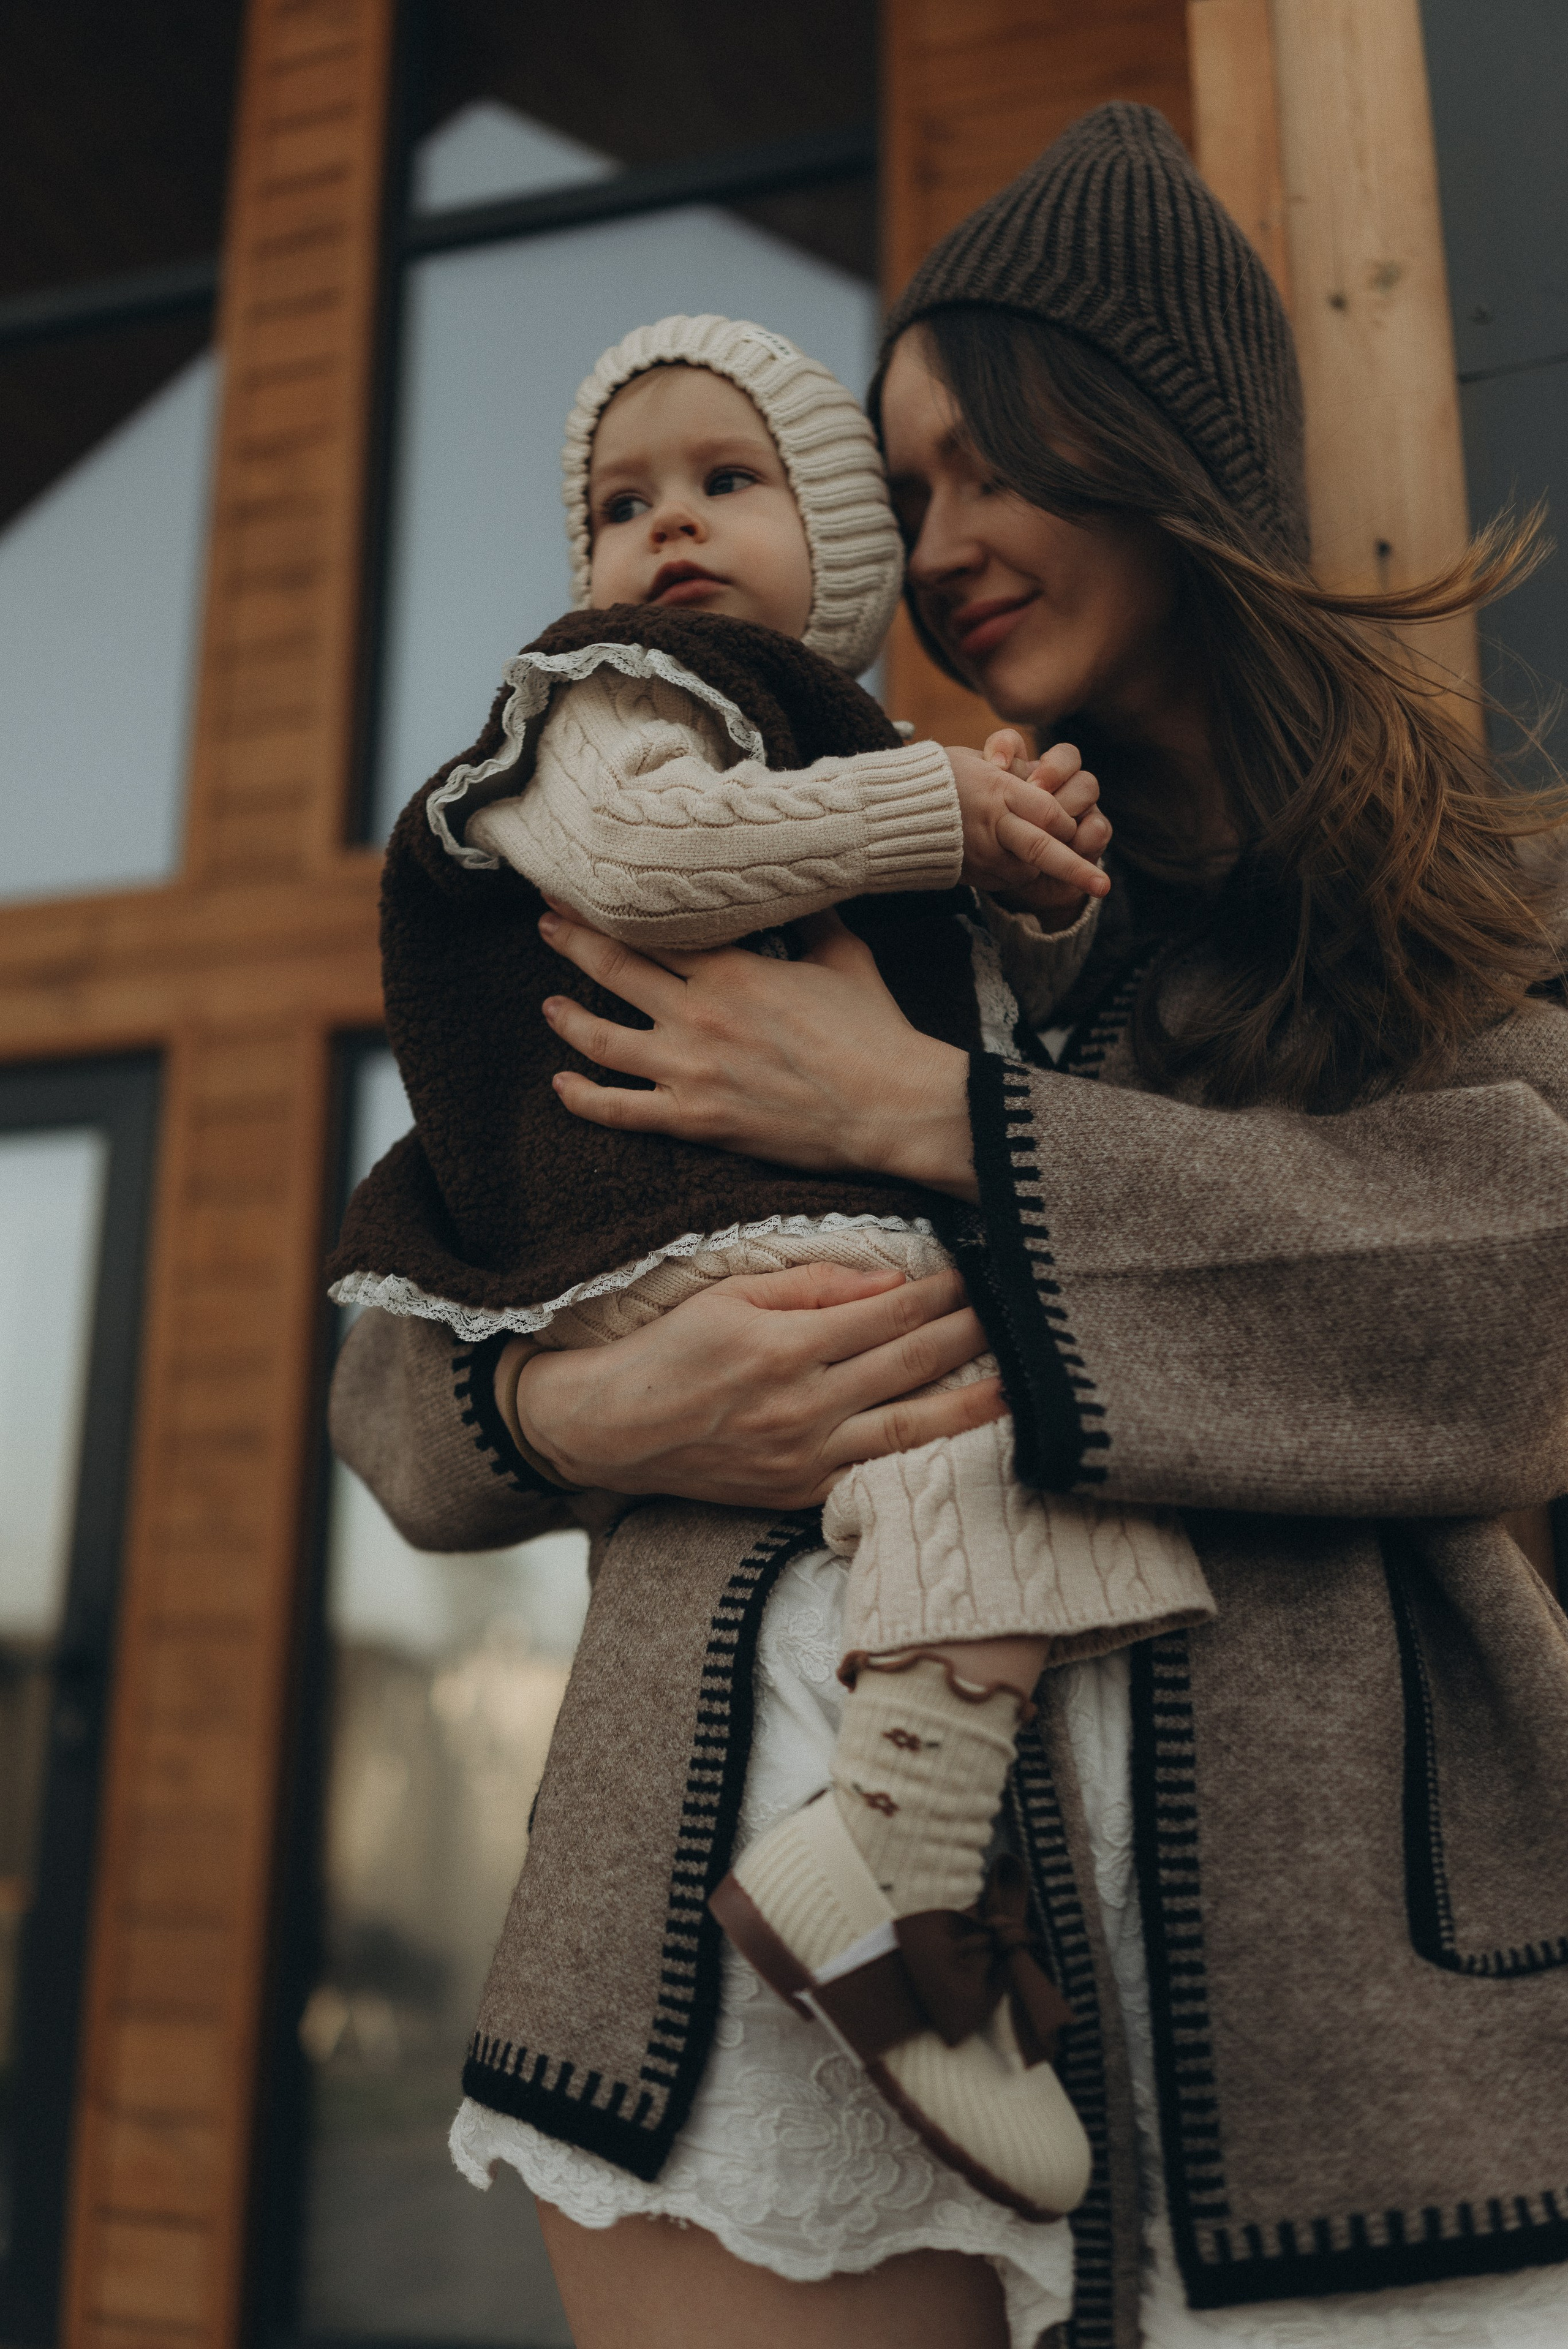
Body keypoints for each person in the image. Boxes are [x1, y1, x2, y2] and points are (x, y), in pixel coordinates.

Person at [330, 105, 1568, 2349]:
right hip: (730, 1919)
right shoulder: (818, 861)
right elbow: (420, 1327)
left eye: (1000, 461)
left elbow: (1521, 1310)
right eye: (907, 492)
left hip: (1336, 2020)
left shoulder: (1454, 904)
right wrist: (586, 1393)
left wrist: (930, 1116)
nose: (949, 540)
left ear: (1172, 458)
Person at [330, 307, 1217, 2223]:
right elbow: (649, 860)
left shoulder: (856, 758)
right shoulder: (613, 690)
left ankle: (900, 1842)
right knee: (1008, 1420)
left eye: (728, 484)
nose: (665, 531)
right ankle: (895, 1849)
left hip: (774, 1239)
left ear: (839, 547)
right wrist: (943, 815)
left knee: (992, 1446)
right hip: (661, 1227)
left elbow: (981, 1026)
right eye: (619, 501)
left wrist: (1024, 871)